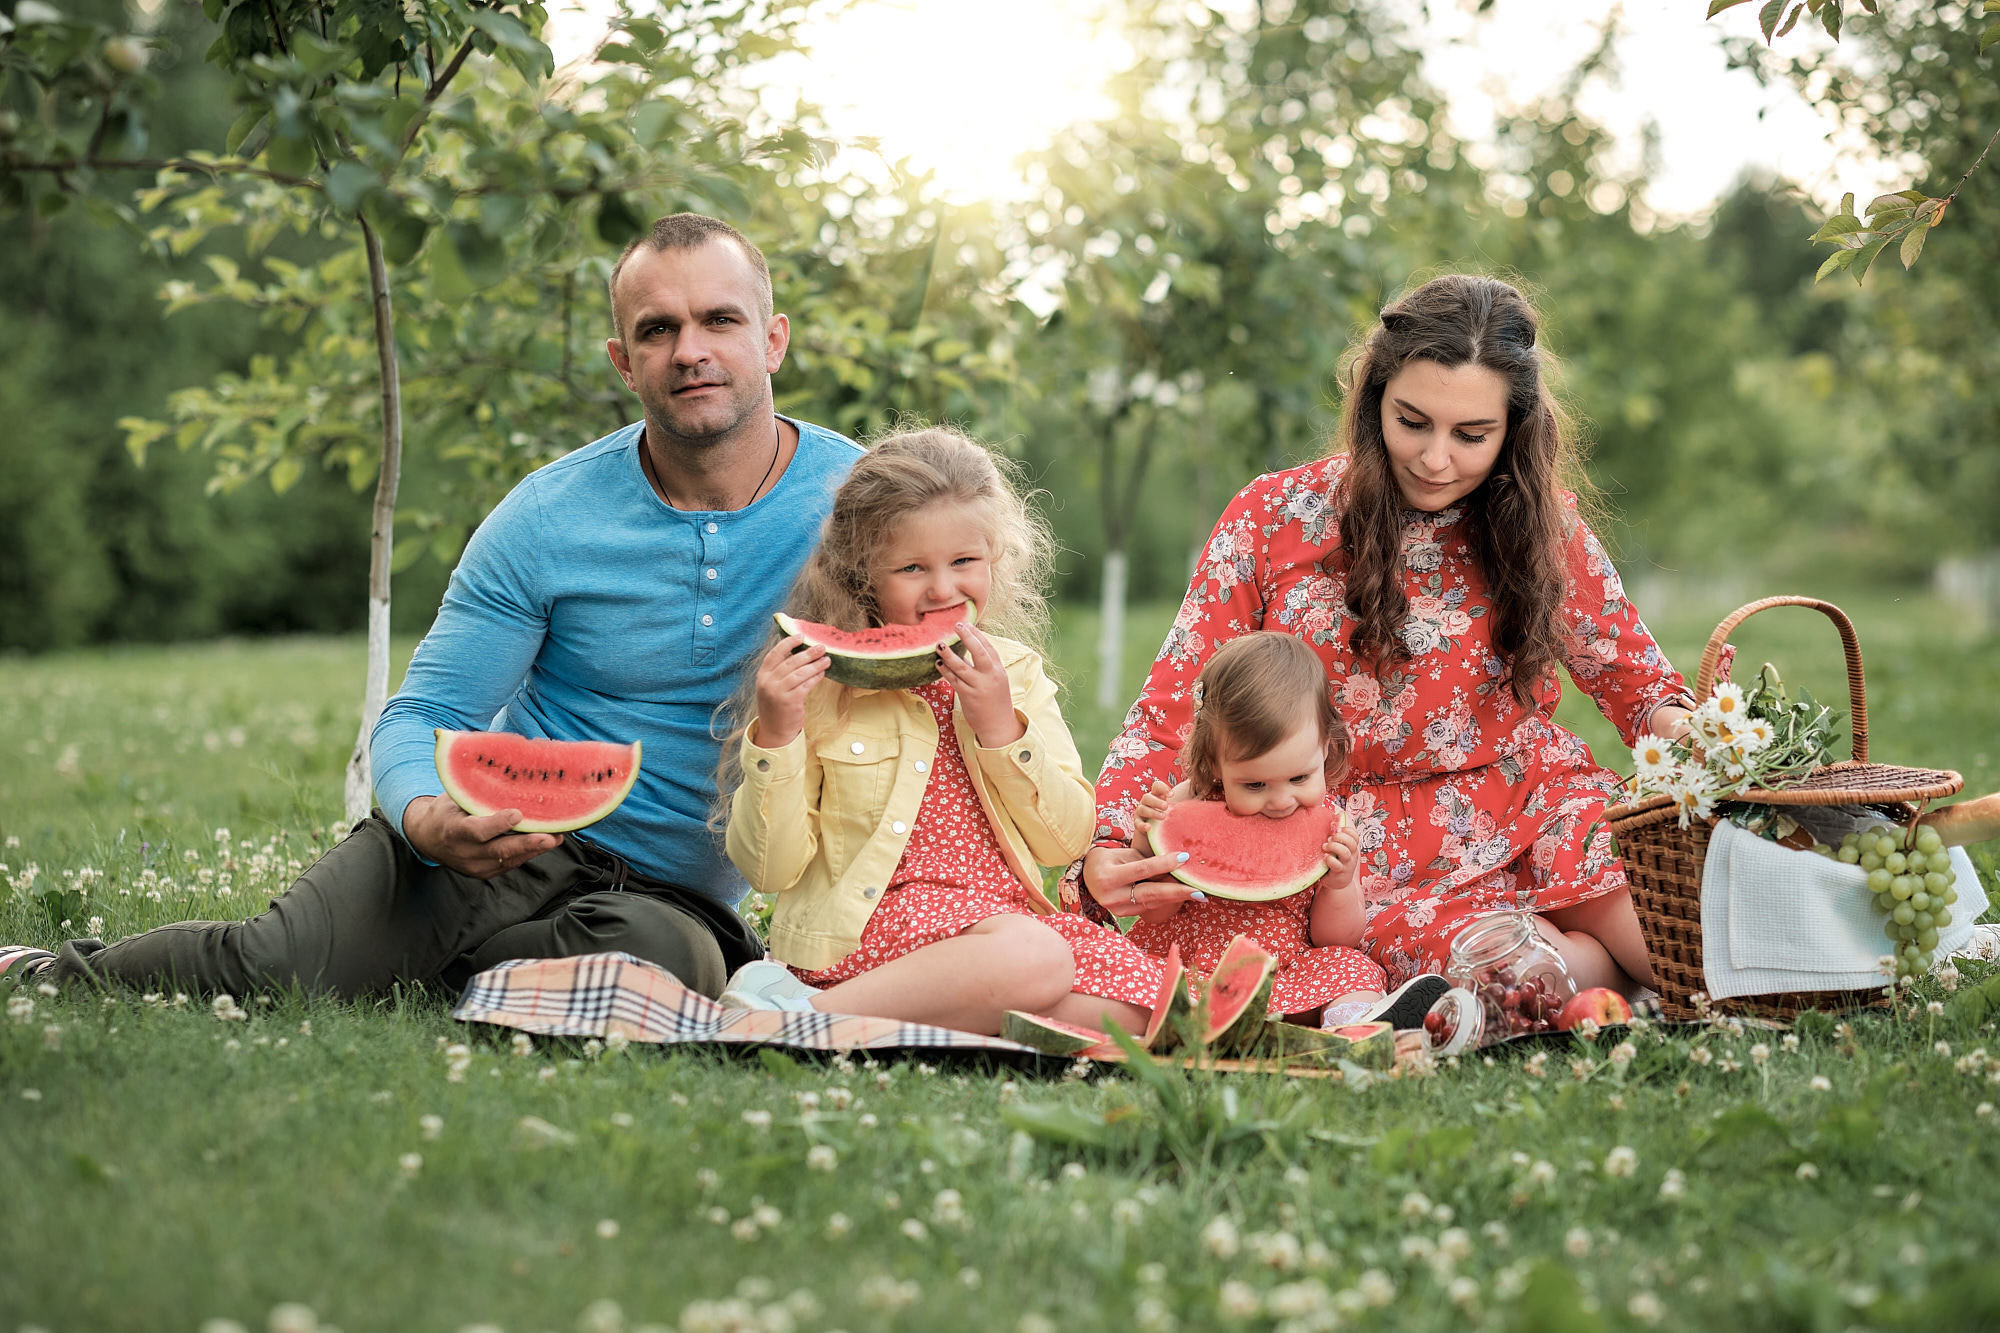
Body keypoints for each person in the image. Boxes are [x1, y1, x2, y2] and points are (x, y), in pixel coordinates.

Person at [0, 214, 862, 1000]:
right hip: (497, 835)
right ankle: (49, 970)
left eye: (720, 320)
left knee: (669, 969)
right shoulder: (545, 516)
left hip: (670, 897)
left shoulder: (856, 505)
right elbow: (424, 712)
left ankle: (419, 968)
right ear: (621, 359)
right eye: (657, 329)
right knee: (277, 965)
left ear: (774, 339)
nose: (689, 350)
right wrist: (424, 814)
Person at [1075, 274, 1693, 997]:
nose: (1435, 459)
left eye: (1471, 435)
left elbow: (1641, 687)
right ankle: (1570, 967)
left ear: (1514, 429)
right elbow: (1173, 706)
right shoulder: (1272, 516)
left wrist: (1702, 737)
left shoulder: (1540, 526)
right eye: (1412, 421)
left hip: (1532, 800)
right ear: (1374, 403)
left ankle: (1589, 960)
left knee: (1677, 942)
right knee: (1511, 971)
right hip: (1351, 848)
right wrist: (1109, 843)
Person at [718, 426, 1164, 1037]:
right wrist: (776, 735)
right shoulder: (819, 687)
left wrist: (1002, 729)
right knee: (1037, 960)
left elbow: (1065, 843)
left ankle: (876, 1016)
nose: (944, 589)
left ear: (995, 560)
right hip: (869, 931)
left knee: (1152, 1013)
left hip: (998, 926)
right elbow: (771, 870)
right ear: (860, 576)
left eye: (964, 562)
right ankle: (807, 1014)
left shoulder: (1017, 675)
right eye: (911, 567)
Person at [1124, 633, 1445, 1028]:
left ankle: (1352, 1026)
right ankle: (1181, 1022)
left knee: (1350, 967)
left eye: (1299, 777)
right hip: (1192, 963)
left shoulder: (1331, 827)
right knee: (1133, 974)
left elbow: (1336, 939)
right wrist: (1152, 843)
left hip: (1288, 970)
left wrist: (1339, 885)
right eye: (1254, 785)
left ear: (1326, 747)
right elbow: (1157, 916)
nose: (1280, 801)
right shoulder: (1185, 803)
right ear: (1215, 763)